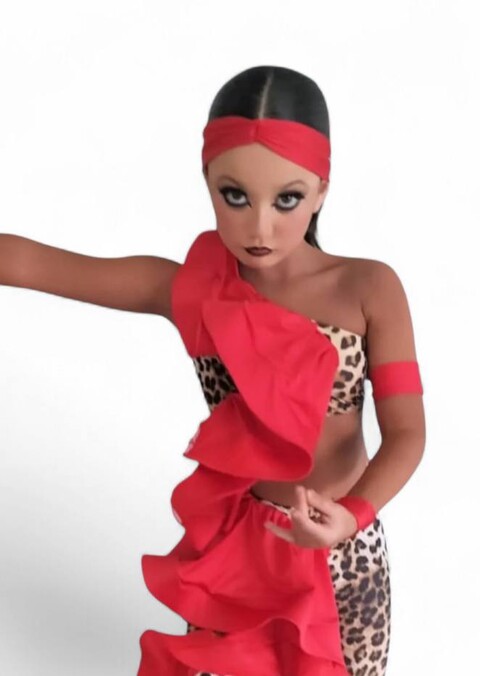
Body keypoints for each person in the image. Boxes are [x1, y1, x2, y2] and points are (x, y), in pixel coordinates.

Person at [0, 65, 426, 676]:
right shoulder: (191, 290)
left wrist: (351, 517)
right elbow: (29, 263)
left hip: (343, 554)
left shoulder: (369, 288)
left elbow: (408, 433)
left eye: (287, 199)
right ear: (207, 182)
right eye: (235, 196)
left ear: (322, 190)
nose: (259, 227)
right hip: (239, 555)